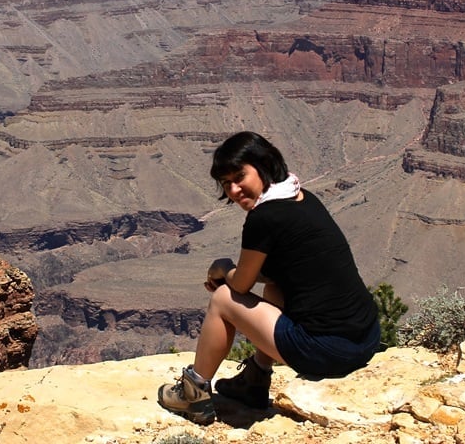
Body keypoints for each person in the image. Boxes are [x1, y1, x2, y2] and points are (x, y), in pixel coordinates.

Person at [158, 131, 380, 425]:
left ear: (263, 165)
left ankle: (193, 394)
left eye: (240, 177)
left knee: (223, 298)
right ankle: (254, 380)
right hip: (365, 338)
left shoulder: (264, 217)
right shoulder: (301, 197)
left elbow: (240, 286)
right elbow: (275, 271)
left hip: (328, 351)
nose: (234, 190)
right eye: (227, 184)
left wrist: (222, 268)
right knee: (276, 285)